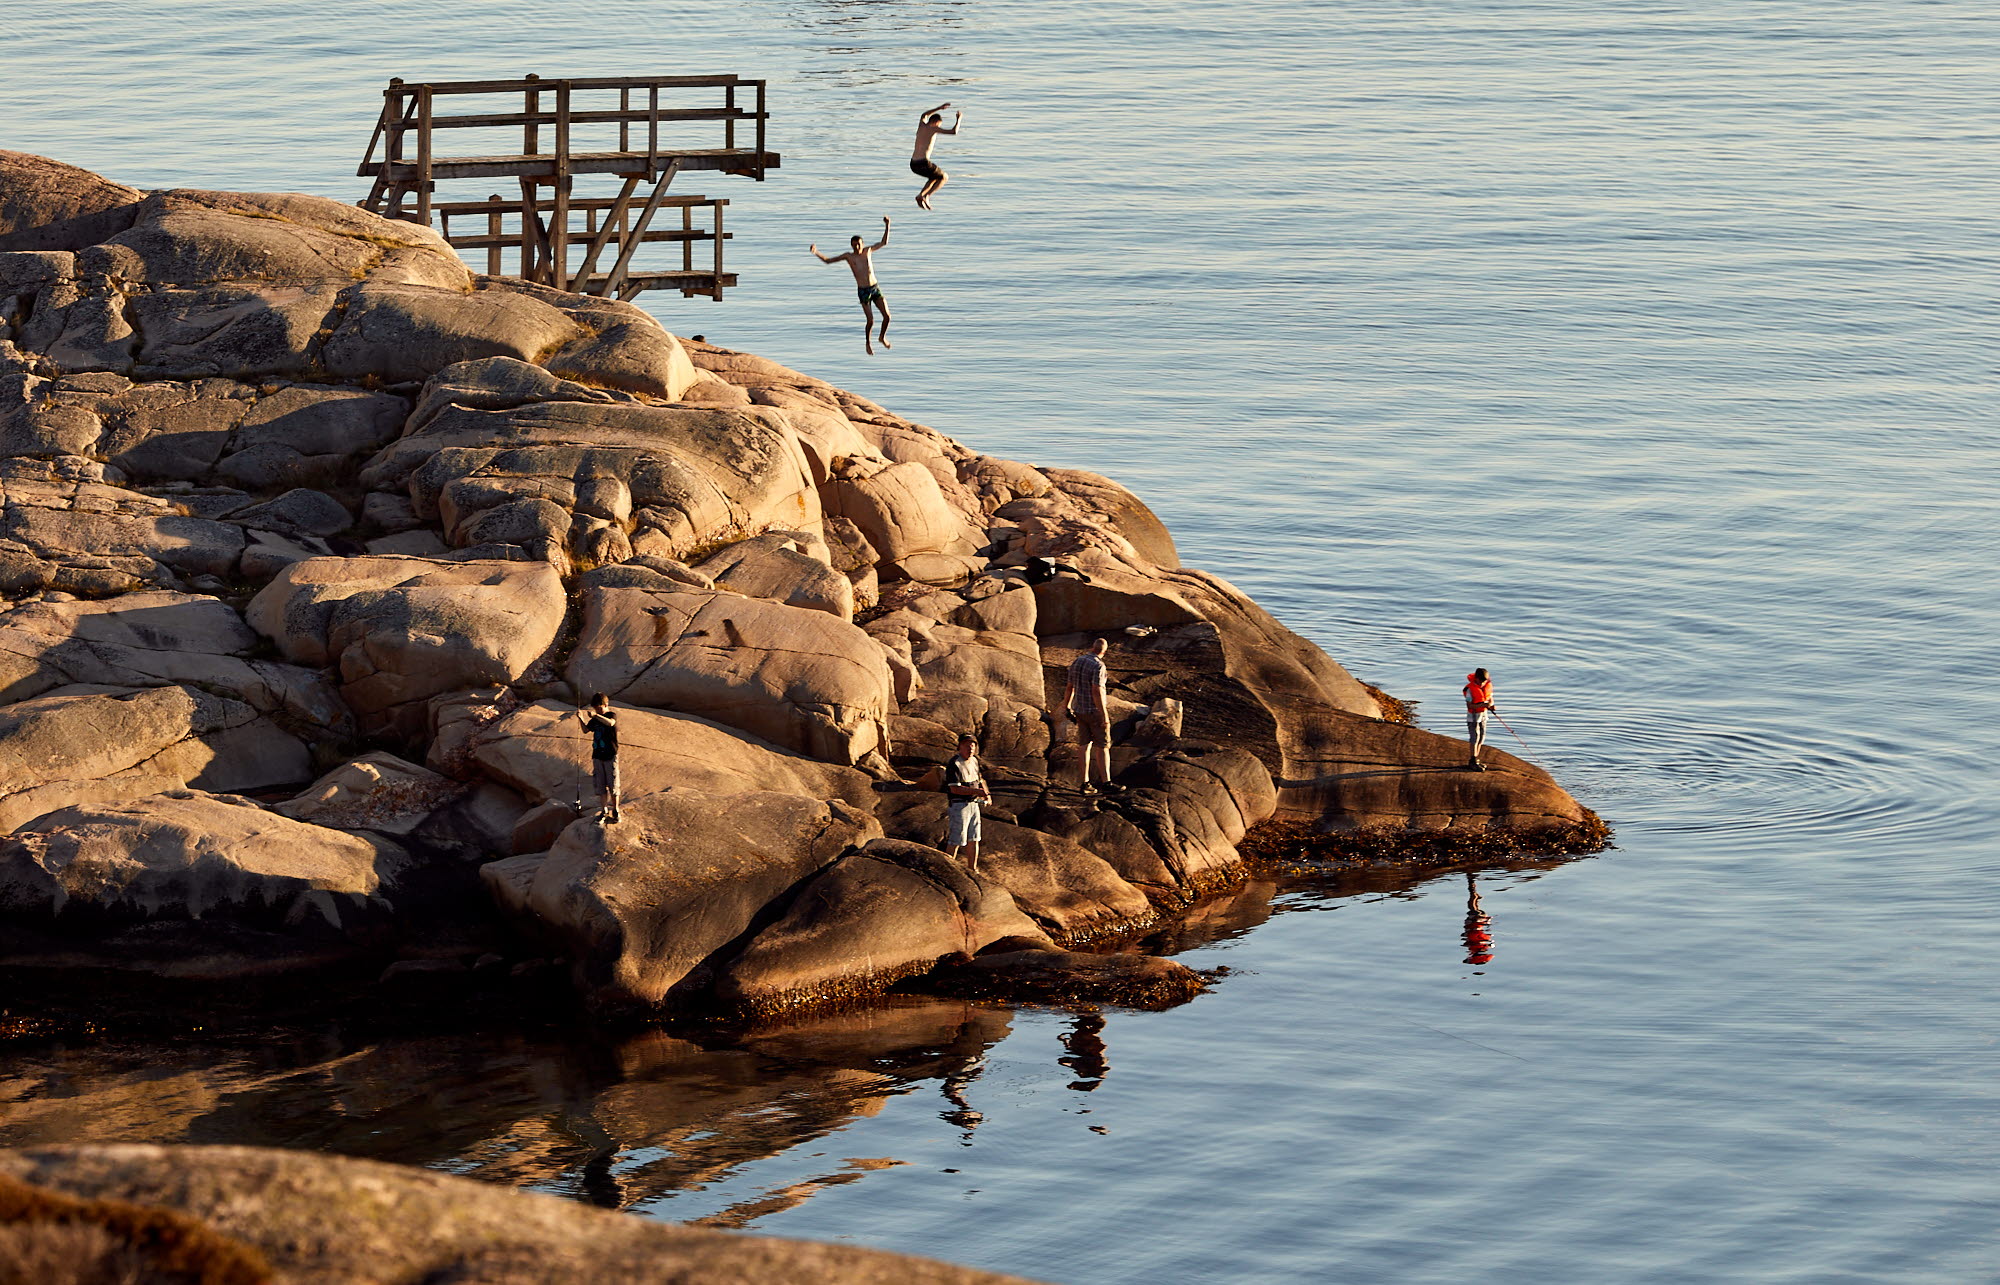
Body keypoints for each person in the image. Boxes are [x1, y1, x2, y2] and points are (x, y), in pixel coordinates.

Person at [810, 217, 893, 354]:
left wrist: (887, 225)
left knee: (887, 316)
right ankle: (868, 343)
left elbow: (884, 242)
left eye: (859, 244)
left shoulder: (868, 251)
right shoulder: (848, 256)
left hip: (875, 287)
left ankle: (882, 337)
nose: (857, 247)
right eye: (854, 245)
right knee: (870, 320)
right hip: (863, 291)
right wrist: (816, 252)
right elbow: (828, 261)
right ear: (851, 245)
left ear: (863, 244)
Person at [1065, 637, 1113, 795]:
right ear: (1104, 652)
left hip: (1080, 710)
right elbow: (1097, 691)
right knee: (1103, 746)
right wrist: (1104, 715)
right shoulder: (1099, 666)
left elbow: (1070, 686)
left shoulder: (1078, 661)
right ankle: (1106, 782)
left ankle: (1084, 783)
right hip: (1094, 712)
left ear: (1092, 647)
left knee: (1084, 746)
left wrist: (1067, 706)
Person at [943, 733, 990, 871]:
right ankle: (946, 870)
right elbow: (954, 789)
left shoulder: (974, 761)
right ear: (959, 747)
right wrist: (977, 792)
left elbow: (980, 780)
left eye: (972, 745)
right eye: (966, 745)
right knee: (955, 840)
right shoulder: (954, 764)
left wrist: (987, 795)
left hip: (974, 805)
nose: (970, 749)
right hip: (959, 806)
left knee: (974, 838)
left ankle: (972, 869)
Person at [575, 694, 621, 823]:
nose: (597, 710)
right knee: (600, 785)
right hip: (597, 756)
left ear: (606, 705)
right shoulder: (595, 720)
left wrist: (596, 716)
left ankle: (616, 810)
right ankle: (604, 810)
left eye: (599, 708)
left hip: (610, 755)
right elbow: (585, 730)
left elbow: (611, 723)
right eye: (595, 708)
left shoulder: (611, 715)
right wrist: (580, 718)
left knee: (613, 784)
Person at [911, 102, 962, 209]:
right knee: (944, 177)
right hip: (923, 162)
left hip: (913, 164)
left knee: (934, 177)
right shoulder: (933, 128)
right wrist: (959, 119)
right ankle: (926, 195)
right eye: (939, 124)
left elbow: (924, 115)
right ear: (935, 122)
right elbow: (954, 132)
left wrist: (939, 108)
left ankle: (922, 196)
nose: (939, 127)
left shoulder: (921, 125)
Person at [1462, 666, 1495, 770]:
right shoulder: (1469, 689)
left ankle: (1476, 759)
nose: (1482, 684)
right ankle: (1472, 761)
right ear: (1476, 678)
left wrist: (1491, 705)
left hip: (1483, 716)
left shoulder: (1487, 686)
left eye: (1484, 682)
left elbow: (1490, 699)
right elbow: (1470, 705)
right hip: (1473, 717)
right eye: (1480, 681)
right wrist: (1482, 706)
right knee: (1474, 737)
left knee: (1481, 737)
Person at [1462, 872, 1494, 966]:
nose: (1485, 951)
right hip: (1474, 923)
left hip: (1474, 922)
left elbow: (1477, 935)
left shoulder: (1477, 946)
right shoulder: (1474, 947)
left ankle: (1472, 887)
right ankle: (1474, 892)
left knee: (1473, 907)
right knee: (1473, 907)